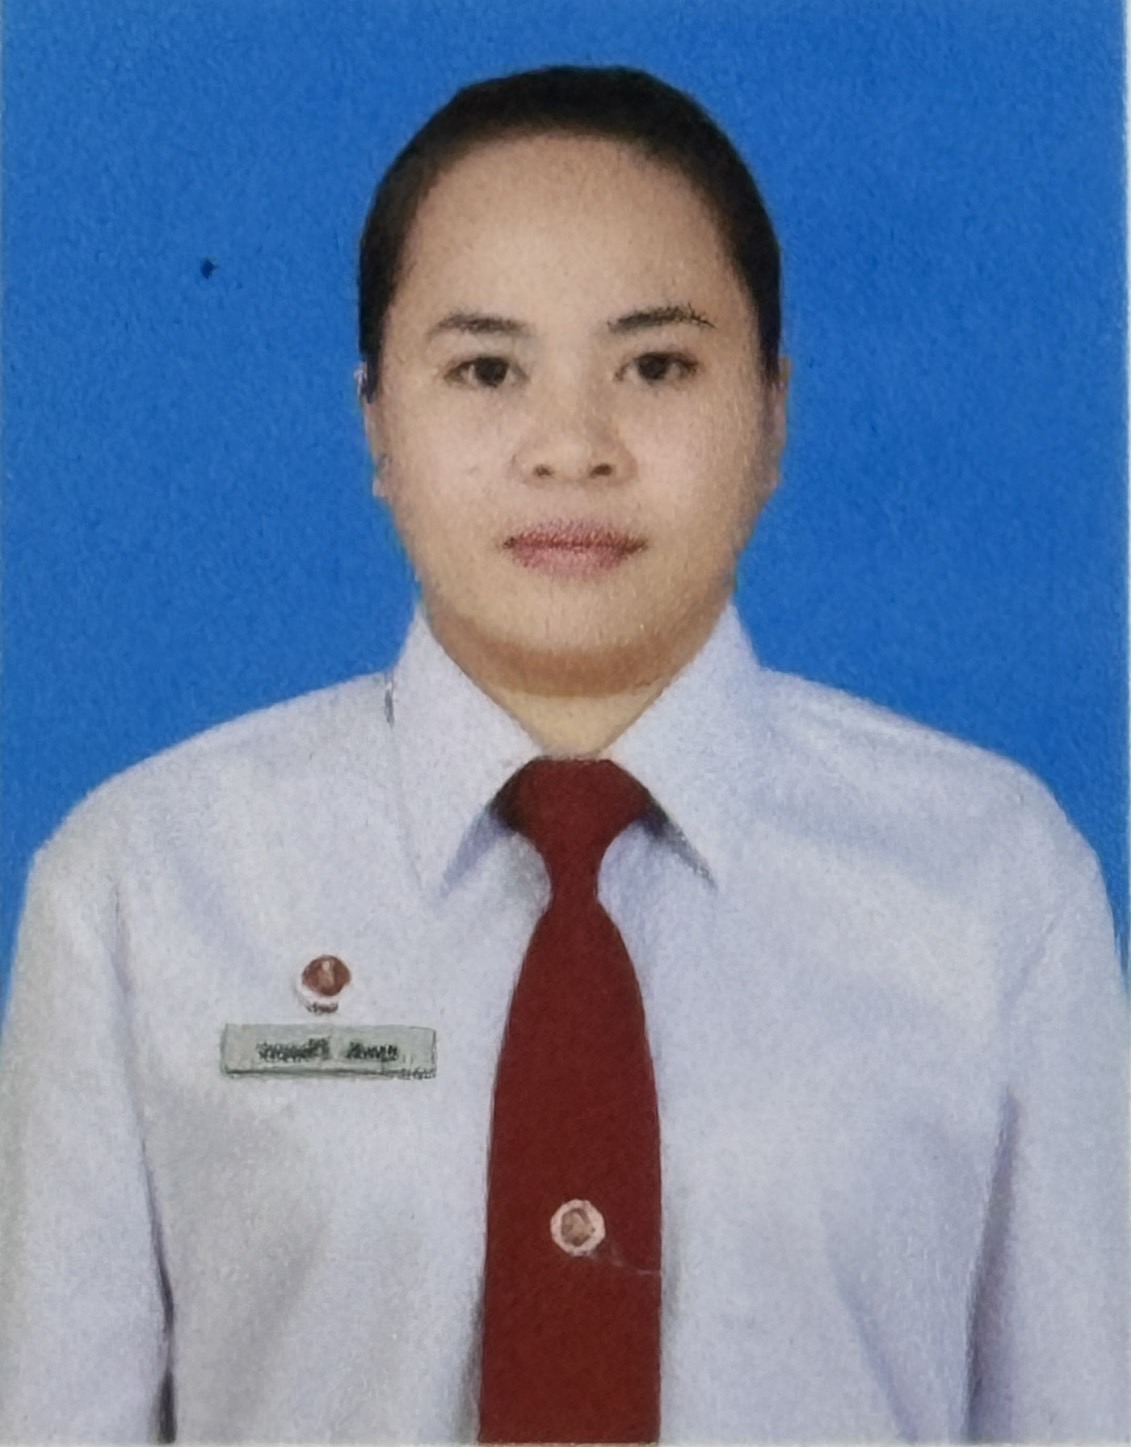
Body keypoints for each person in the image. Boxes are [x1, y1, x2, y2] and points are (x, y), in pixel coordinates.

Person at [0, 63, 1126, 1444]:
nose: (572, 448)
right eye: (486, 370)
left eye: (657, 367)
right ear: (377, 422)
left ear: (773, 414)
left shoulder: (994, 883)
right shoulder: (143, 884)